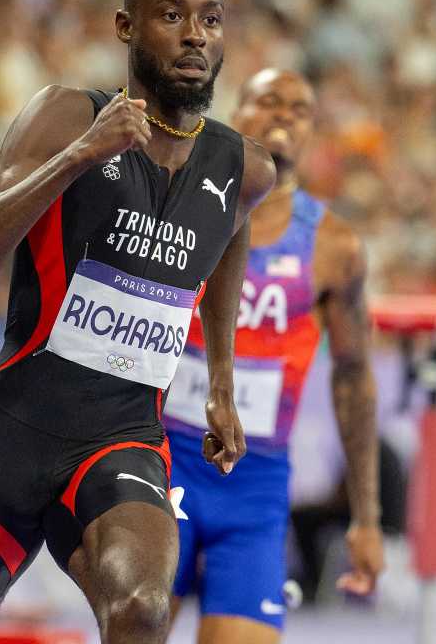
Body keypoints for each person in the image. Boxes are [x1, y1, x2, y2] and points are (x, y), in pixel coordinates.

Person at [0, 0, 276, 644]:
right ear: (125, 26)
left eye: (211, 19)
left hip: (120, 442)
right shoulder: (66, 116)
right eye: (172, 15)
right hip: (3, 440)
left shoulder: (244, 168)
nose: (195, 36)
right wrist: (79, 156)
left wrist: (222, 382)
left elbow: (231, 233)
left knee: (143, 609)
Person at [162, 68, 384, 642]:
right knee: (135, 623)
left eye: (300, 109)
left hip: (254, 489)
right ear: (236, 112)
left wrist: (366, 518)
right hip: (161, 460)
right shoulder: (177, 200)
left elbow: (354, 378)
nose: (284, 114)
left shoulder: (334, 247)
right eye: (268, 101)